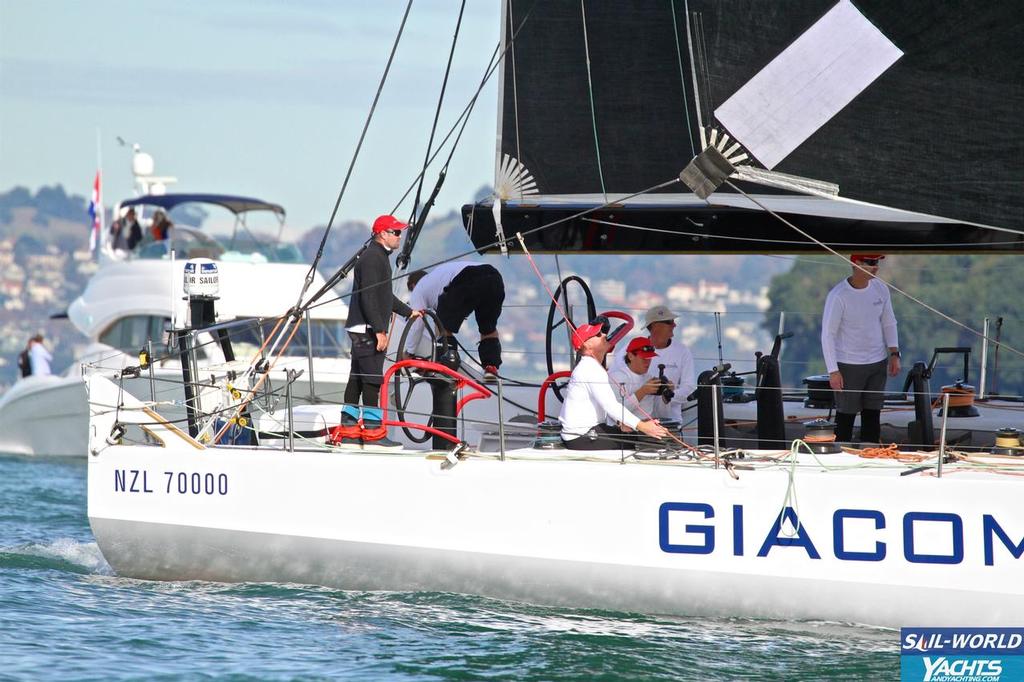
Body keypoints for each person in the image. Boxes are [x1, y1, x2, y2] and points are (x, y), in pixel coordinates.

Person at [341, 215, 423, 448]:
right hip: (367, 329)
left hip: (361, 327)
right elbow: (368, 296)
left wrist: (409, 312)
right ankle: (373, 433)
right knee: (372, 379)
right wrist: (379, 331)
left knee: (356, 378)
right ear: (383, 234)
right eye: (396, 232)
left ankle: (349, 431)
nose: (400, 236)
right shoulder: (372, 259)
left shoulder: (378, 257)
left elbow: (384, 295)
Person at [821, 253, 900, 444]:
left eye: (877, 262)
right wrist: (833, 371)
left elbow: (889, 322)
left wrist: (894, 353)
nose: (876, 267)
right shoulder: (838, 295)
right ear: (855, 264)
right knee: (845, 415)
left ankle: (869, 454)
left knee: (873, 413)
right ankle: (840, 457)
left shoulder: (881, 289)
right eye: (871, 263)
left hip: (878, 362)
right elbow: (827, 334)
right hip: (849, 365)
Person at [559, 318, 669, 450]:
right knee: (636, 441)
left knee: (635, 436)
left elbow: (606, 406)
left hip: (584, 432)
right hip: (579, 436)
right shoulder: (590, 368)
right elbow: (610, 405)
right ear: (586, 345)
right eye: (598, 335)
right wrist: (643, 426)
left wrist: (622, 422)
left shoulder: (591, 367)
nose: (604, 335)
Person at [402, 260, 505, 376]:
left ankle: (447, 366)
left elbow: (417, 322)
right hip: (494, 276)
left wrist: (409, 352)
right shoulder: (437, 277)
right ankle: (490, 367)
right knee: (488, 327)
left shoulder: (418, 288)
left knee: (441, 325)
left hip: (468, 276)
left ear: (413, 286)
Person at [623, 305, 695, 424]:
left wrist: (668, 394)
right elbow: (621, 381)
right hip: (637, 422)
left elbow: (689, 387)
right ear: (655, 326)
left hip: (671, 422)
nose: (674, 325)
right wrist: (645, 390)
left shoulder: (683, 351)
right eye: (670, 322)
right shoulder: (630, 349)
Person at [607, 336, 661, 423]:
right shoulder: (617, 377)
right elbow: (618, 412)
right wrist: (643, 391)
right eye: (644, 358)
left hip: (648, 426)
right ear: (631, 356)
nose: (647, 362)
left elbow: (657, 410)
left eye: (649, 358)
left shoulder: (649, 377)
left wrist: (665, 396)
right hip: (625, 430)